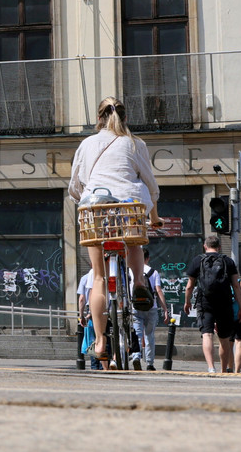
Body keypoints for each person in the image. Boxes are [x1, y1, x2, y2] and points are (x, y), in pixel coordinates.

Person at [67, 96, 163, 365]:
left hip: (95, 212)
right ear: (125, 117)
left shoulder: (86, 144)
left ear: (99, 118)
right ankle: (139, 283)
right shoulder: (135, 143)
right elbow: (150, 184)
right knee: (133, 238)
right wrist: (154, 217)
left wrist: (83, 197)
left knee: (98, 278)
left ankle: (99, 341)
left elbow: (75, 186)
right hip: (128, 206)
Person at [183, 233, 241, 373]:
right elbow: (236, 286)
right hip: (224, 302)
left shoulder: (197, 260)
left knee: (207, 334)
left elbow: (189, 286)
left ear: (205, 246)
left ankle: (211, 367)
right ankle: (224, 370)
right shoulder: (228, 261)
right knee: (224, 338)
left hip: (204, 302)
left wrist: (187, 302)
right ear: (219, 247)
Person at [128, 248, 168, 371]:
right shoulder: (153, 272)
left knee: (137, 333)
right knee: (149, 335)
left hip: (135, 306)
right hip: (151, 307)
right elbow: (158, 290)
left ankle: (136, 356)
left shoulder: (130, 271)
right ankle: (150, 363)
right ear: (148, 258)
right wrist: (165, 309)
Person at [77, 267, 102, 370]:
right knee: (103, 335)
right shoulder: (106, 275)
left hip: (90, 309)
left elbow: (82, 299)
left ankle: (94, 365)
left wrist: (81, 316)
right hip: (104, 308)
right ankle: (104, 364)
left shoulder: (85, 278)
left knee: (92, 339)